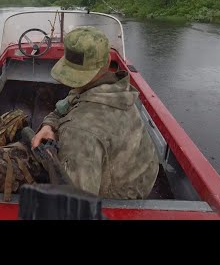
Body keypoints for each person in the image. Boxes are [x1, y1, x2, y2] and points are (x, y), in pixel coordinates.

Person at [32, 26, 159, 200]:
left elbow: (77, 206)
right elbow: (70, 101)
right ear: (107, 61)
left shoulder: (79, 131)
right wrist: (49, 125)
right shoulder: (116, 89)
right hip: (139, 178)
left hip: (117, 200)